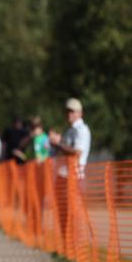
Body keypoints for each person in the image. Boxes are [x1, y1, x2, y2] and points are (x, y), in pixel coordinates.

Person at [49, 98, 91, 239]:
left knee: (74, 212)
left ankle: (76, 246)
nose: (69, 114)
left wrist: (58, 144)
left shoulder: (82, 130)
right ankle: (67, 244)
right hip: (63, 175)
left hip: (75, 176)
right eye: (67, 111)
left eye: (72, 111)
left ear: (80, 113)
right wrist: (56, 144)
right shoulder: (69, 130)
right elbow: (62, 151)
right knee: (62, 211)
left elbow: (77, 152)